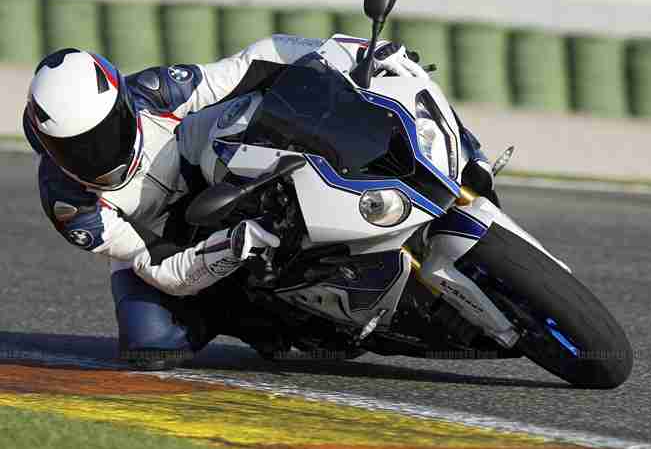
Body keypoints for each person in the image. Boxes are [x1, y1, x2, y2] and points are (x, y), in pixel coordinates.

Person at [23, 34, 448, 370]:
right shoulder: (71, 206)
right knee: (151, 344)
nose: (97, 156)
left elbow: (255, 62)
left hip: (215, 169)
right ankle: (274, 322)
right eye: (75, 149)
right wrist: (235, 244)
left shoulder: (157, 92)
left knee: (262, 114)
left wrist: (354, 52)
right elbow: (160, 266)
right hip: (165, 237)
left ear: (122, 104)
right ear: (47, 146)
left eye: (104, 134)